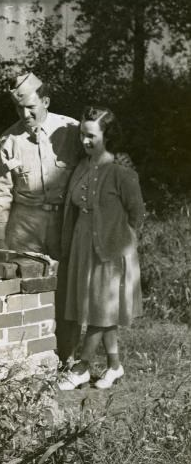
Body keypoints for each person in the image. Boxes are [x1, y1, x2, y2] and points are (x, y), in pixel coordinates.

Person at [0, 72, 83, 364]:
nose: (25, 114)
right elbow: (0, 193)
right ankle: (31, 358)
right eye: (19, 108)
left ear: (46, 101)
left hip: (63, 223)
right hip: (25, 225)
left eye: (31, 106)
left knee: (66, 289)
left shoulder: (70, 131)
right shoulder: (8, 141)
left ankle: (66, 356)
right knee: (25, 290)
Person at [57, 107, 145, 391]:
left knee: (100, 309)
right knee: (97, 309)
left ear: (108, 135)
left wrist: (119, 242)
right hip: (84, 245)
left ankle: (82, 367)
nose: (84, 141)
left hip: (111, 249)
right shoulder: (82, 166)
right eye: (82, 134)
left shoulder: (121, 172)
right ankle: (115, 366)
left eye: (91, 136)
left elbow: (136, 214)